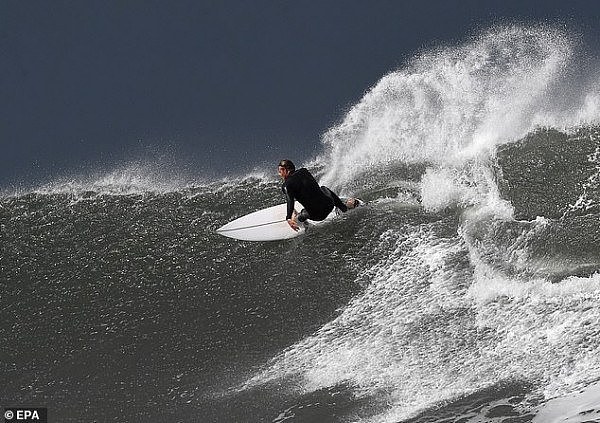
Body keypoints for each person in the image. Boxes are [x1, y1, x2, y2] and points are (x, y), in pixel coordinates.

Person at [278, 159, 358, 231]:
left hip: (318, 215)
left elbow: (290, 201)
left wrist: (288, 218)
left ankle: (305, 225)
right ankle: (344, 208)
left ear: (284, 170)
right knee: (323, 188)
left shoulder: (286, 186)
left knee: (302, 214)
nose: (279, 174)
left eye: (280, 171)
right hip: (329, 205)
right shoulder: (304, 171)